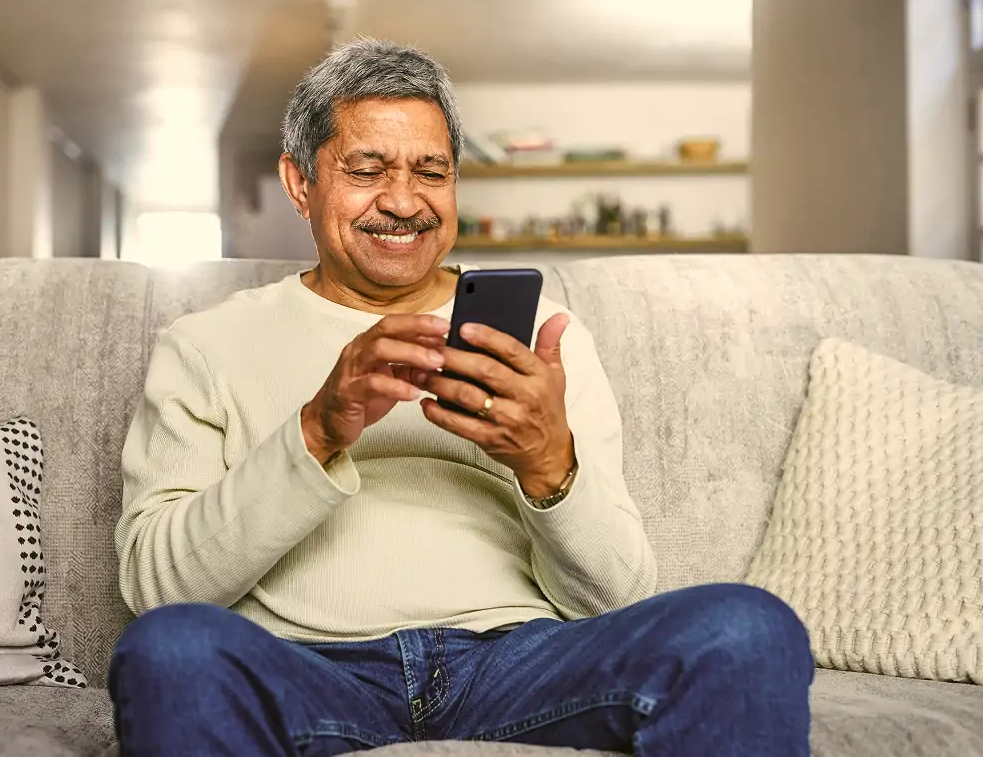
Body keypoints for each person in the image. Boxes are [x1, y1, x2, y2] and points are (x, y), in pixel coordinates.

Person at [109, 38, 813, 757]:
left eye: (431, 171)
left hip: (521, 665)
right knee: (171, 647)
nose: (404, 201)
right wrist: (317, 430)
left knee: (747, 626)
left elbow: (618, 600)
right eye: (366, 169)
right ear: (299, 182)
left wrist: (548, 464)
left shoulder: (544, 340)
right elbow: (159, 591)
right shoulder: (206, 344)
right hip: (309, 667)